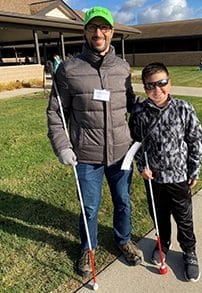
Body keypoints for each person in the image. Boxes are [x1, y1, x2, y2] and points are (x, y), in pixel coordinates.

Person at [46, 6, 143, 279]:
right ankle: (88, 248)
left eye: (104, 28)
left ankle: (123, 239)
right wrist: (63, 146)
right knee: (89, 207)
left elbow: (131, 104)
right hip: (86, 155)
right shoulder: (68, 69)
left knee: (123, 201)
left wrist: (146, 121)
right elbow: (55, 112)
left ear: (111, 32)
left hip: (121, 153)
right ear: (85, 31)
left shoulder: (123, 67)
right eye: (93, 27)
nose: (98, 33)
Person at [129, 62, 202, 282]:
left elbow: (196, 140)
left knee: (184, 217)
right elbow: (135, 143)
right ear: (145, 88)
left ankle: (189, 252)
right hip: (153, 178)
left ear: (169, 83)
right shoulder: (140, 112)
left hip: (179, 176)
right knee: (158, 214)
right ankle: (163, 243)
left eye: (162, 83)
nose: (157, 90)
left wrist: (194, 169)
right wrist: (142, 166)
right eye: (150, 85)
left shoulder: (183, 108)